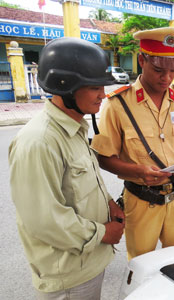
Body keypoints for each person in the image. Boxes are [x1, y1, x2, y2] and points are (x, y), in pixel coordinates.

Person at [8, 37, 125, 300]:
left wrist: (109, 204)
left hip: (87, 262)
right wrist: (104, 232)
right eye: (95, 87)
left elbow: (83, 182)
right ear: (67, 87)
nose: (103, 96)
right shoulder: (39, 141)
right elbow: (44, 220)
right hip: (68, 277)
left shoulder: (73, 129)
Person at [91, 27, 174, 260]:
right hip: (141, 200)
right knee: (141, 266)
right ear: (142, 60)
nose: (167, 78)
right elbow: (103, 157)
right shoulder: (118, 104)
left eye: (173, 71)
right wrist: (137, 171)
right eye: (159, 70)